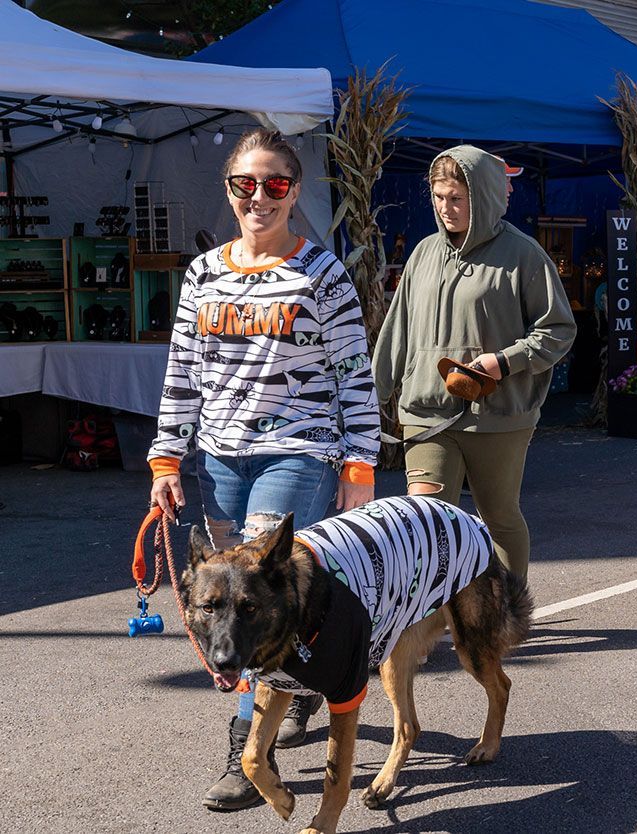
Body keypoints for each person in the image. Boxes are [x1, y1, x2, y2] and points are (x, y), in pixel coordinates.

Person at [146, 129, 379, 810]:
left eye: (275, 184)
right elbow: (181, 374)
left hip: (298, 452)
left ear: (295, 190)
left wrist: (359, 468)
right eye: (245, 184)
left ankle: (244, 751)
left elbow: (354, 378)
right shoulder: (203, 273)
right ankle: (299, 687)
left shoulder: (322, 274)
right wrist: (167, 457)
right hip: (219, 458)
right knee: (240, 604)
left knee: (254, 592)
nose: (259, 197)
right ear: (229, 190)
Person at [373, 145, 575, 585]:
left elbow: (559, 330)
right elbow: (397, 329)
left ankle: (507, 614)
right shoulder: (423, 253)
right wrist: (372, 396)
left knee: (499, 518)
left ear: (483, 196)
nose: (446, 208)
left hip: (499, 416)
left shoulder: (524, 256)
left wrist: (503, 362)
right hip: (425, 413)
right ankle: (421, 626)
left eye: (457, 198)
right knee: (424, 523)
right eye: (438, 197)